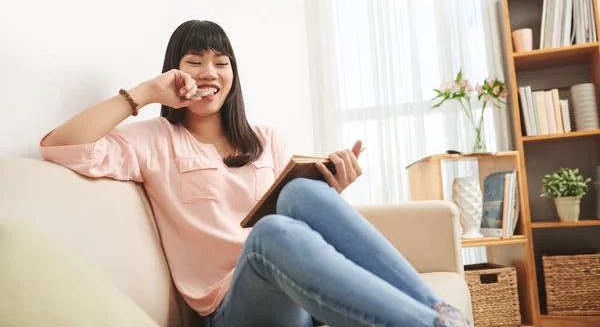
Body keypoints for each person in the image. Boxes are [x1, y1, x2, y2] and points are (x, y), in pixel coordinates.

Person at [40, 20, 471, 327]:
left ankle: (439, 314)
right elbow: (61, 146)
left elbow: (299, 231)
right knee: (271, 235)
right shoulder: (154, 139)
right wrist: (146, 92)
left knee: (301, 196)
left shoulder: (266, 140)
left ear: (233, 75)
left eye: (221, 63)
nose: (209, 72)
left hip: (294, 291)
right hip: (233, 310)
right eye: (194, 62)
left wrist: (332, 188)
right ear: (174, 73)